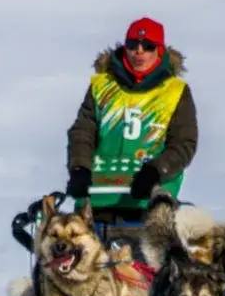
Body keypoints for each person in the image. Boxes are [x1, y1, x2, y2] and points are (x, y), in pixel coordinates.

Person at [65, 16, 197, 228]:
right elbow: (83, 132)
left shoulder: (176, 92)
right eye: (133, 44)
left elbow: (184, 144)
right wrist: (79, 168)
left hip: (149, 202)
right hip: (97, 201)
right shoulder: (102, 86)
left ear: (159, 50)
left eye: (147, 46)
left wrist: (156, 171)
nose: (139, 51)